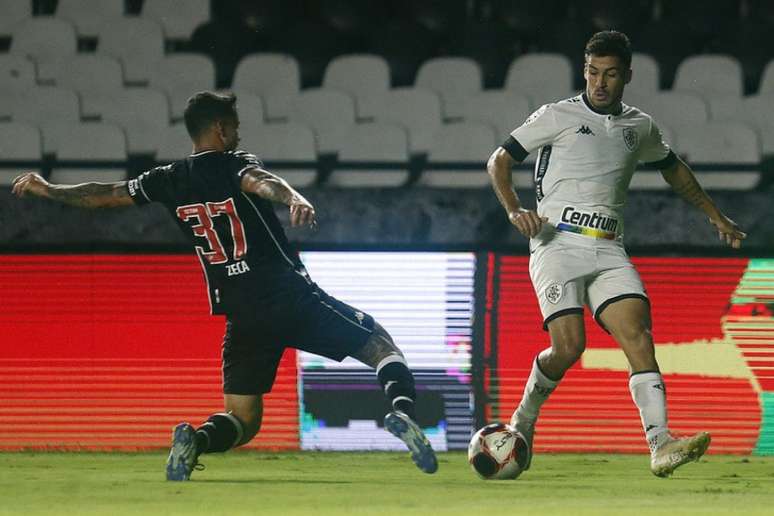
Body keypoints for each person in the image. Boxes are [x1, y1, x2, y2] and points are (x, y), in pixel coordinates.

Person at [11, 91, 437, 480]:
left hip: (241, 310)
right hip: (287, 296)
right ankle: (402, 414)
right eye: (233, 126)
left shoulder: (167, 178)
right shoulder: (235, 164)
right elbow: (260, 181)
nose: (237, 133)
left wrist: (49, 188)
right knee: (381, 345)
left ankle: (195, 440)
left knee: (244, 418)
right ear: (220, 128)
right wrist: (291, 198)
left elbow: (104, 194)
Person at [487, 30, 747, 477]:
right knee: (568, 347)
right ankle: (523, 420)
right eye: (592, 72)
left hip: (609, 249)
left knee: (639, 337)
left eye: (609, 74)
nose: (599, 83)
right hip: (557, 243)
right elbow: (499, 160)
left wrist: (715, 215)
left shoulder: (638, 126)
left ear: (627, 75)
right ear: (584, 70)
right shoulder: (557, 115)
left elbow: (674, 170)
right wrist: (514, 211)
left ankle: (661, 445)